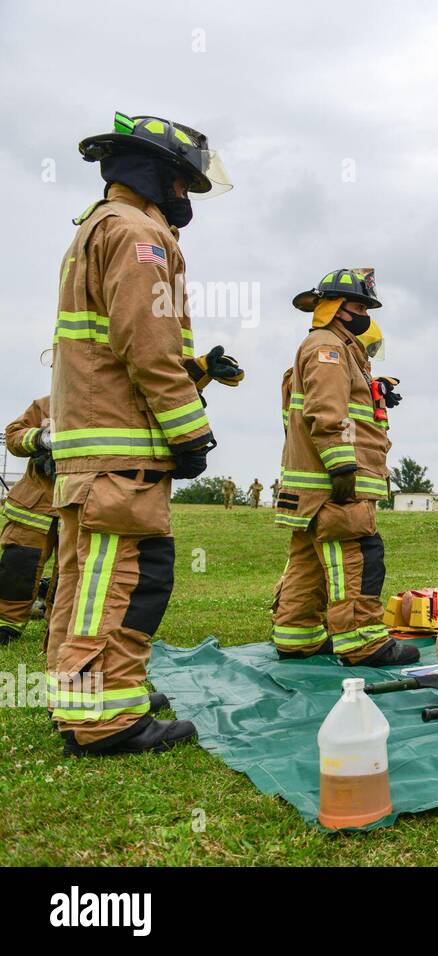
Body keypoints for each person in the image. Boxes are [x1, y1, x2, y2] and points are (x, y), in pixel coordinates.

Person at [48, 111, 236, 756]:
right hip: (121, 449)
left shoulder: (99, 228)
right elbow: (146, 344)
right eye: (183, 184)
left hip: (93, 449)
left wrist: (199, 376)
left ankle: (85, 697)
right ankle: (105, 720)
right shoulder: (137, 235)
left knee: (83, 579)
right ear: (154, 174)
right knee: (126, 576)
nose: (186, 199)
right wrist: (190, 432)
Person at [271, 269, 416, 667]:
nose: (364, 313)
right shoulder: (327, 348)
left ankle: (295, 636)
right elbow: (325, 411)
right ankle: (362, 643)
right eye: (359, 305)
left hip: (312, 488)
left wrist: (375, 391)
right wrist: (342, 468)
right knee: (357, 556)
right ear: (335, 307)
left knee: (307, 562)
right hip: (333, 486)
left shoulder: (333, 349)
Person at [0, 396, 58, 644]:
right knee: (18, 565)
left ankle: (60, 628)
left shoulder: (116, 405)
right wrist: (40, 438)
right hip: (35, 505)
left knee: (73, 573)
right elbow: (14, 436)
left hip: (84, 505)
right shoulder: (49, 403)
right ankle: (6, 624)